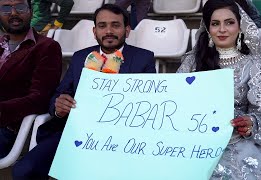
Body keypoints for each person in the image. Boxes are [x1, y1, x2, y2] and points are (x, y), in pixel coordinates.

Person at [12, 3, 155, 179]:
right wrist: (59, 106)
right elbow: (58, 95)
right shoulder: (80, 57)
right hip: (76, 133)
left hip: (122, 138)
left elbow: (150, 104)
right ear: (94, 32)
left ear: (127, 30)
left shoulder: (144, 58)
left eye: (115, 25)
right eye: (102, 26)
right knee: (24, 170)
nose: (108, 31)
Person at [177, 0, 261, 179]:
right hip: (196, 136)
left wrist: (250, 123)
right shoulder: (192, 62)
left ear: (240, 26)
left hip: (237, 139)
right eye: (215, 24)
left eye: (229, 22)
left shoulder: (254, 63)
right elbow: (177, 99)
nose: (222, 29)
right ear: (208, 29)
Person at [0, 0, 62, 158]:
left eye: (20, 7)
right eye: (6, 8)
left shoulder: (46, 47)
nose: (14, 13)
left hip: (8, 126)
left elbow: (39, 99)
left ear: (31, 11)